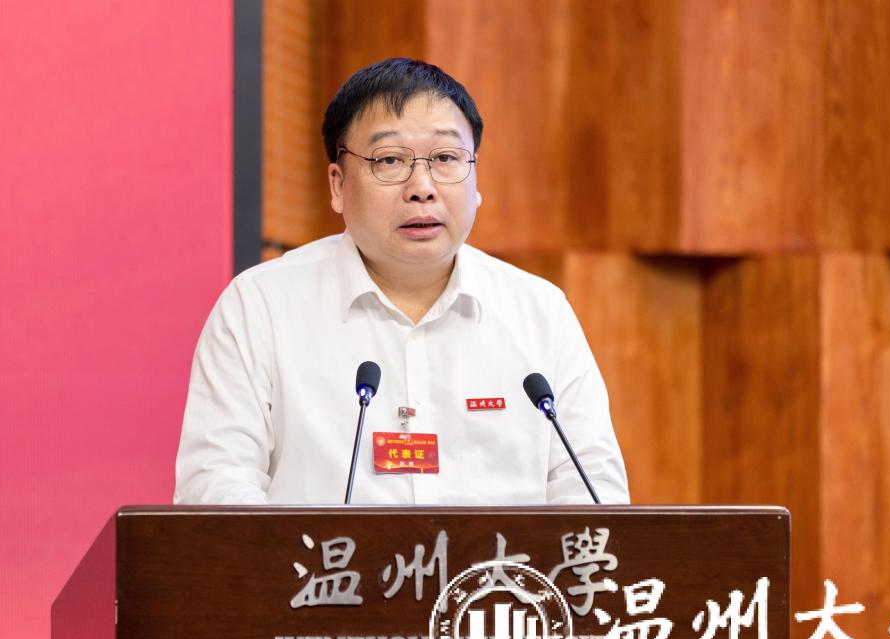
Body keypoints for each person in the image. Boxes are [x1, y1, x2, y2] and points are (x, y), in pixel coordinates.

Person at [175, 58, 629, 505]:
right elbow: (216, 488)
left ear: (475, 179)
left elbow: (594, 497)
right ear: (338, 185)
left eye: (445, 158)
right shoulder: (260, 306)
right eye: (390, 160)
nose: (422, 187)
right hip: (321, 560)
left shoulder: (540, 312)